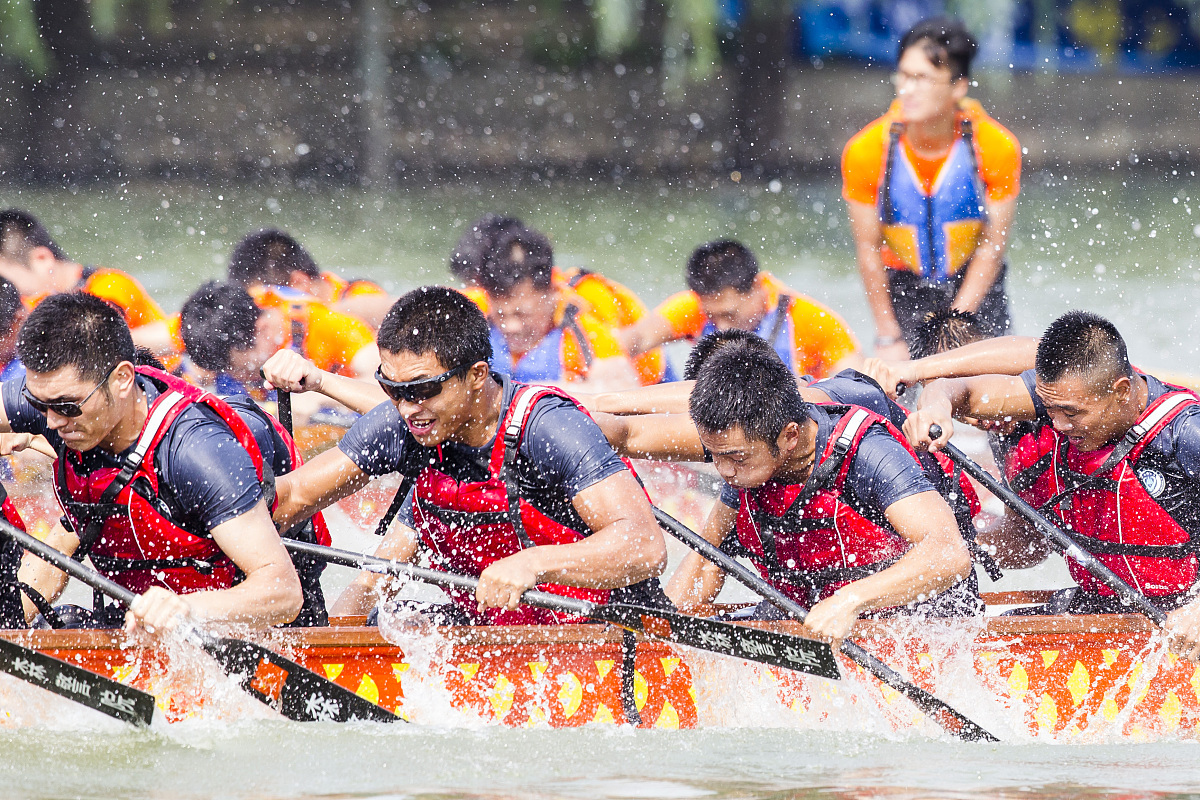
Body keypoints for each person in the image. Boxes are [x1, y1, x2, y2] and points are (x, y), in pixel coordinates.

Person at [266, 286, 669, 625]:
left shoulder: (547, 428)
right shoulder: (409, 423)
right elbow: (293, 497)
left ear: (476, 375)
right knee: (391, 614)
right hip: (493, 630)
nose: (407, 409)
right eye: (393, 390)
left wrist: (533, 564)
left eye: (424, 390)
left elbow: (644, 548)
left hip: (606, 628)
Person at [1, 292, 307, 633]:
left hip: (241, 621)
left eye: (67, 407)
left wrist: (185, 608)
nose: (52, 422)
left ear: (121, 380)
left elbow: (283, 592)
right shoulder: (60, 397)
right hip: (140, 615)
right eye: (37, 404)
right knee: (63, 622)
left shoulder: (197, 451)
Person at [904, 311, 1200, 659]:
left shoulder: (1186, 434)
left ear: (1121, 391)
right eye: (1049, 410)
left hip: (1183, 618)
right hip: (1108, 609)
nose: (1056, 425)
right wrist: (936, 409)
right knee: (977, 648)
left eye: (1071, 414)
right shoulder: (1054, 404)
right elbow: (958, 388)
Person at [668, 340, 973, 639]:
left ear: (789, 437)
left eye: (736, 457)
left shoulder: (869, 452)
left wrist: (850, 600)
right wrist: (654, 626)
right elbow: (703, 565)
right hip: (808, 620)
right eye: (715, 456)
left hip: (910, 621)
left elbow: (949, 554)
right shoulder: (748, 468)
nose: (725, 471)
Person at [842, 18, 1020, 361]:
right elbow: (868, 250)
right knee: (897, 390)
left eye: (922, 78)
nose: (907, 89)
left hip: (977, 284)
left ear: (958, 87)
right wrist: (888, 335)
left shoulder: (996, 147)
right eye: (903, 76)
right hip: (905, 287)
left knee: (998, 391)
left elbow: (990, 248)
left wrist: (956, 322)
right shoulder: (865, 151)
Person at [452, 216, 668, 385]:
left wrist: (521, 396)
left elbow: (620, 388)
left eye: (522, 314)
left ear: (553, 292)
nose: (511, 326)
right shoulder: (473, 306)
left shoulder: (583, 318)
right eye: (500, 314)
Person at [619, 240, 861, 380]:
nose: (721, 327)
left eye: (729, 315)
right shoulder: (693, 307)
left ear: (757, 287)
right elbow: (635, 339)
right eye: (712, 317)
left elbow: (857, 381)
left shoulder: (811, 320)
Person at [0, 209, 176, 361]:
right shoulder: (32, 304)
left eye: (6, 280)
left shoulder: (111, 284)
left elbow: (97, 340)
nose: (5, 288)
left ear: (41, 259)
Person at [179, 280, 380, 398]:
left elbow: (381, 384)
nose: (236, 378)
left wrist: (321, 397)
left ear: (262, 330)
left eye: (240, 370)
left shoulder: (328, 326)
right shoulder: (208, 322)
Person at [228, 228, 392, 328]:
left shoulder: (360, 294)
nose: (260, 319)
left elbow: (392, 312)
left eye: (266, 303)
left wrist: (315, 317)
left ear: (298, 283)